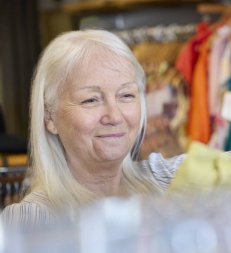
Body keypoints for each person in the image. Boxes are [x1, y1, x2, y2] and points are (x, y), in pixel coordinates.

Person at [1, 29, 185, 225]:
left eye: (126, 95)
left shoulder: (171, 181)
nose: (114, 116)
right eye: (91, 100)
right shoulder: (29, 222)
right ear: (50, 117)